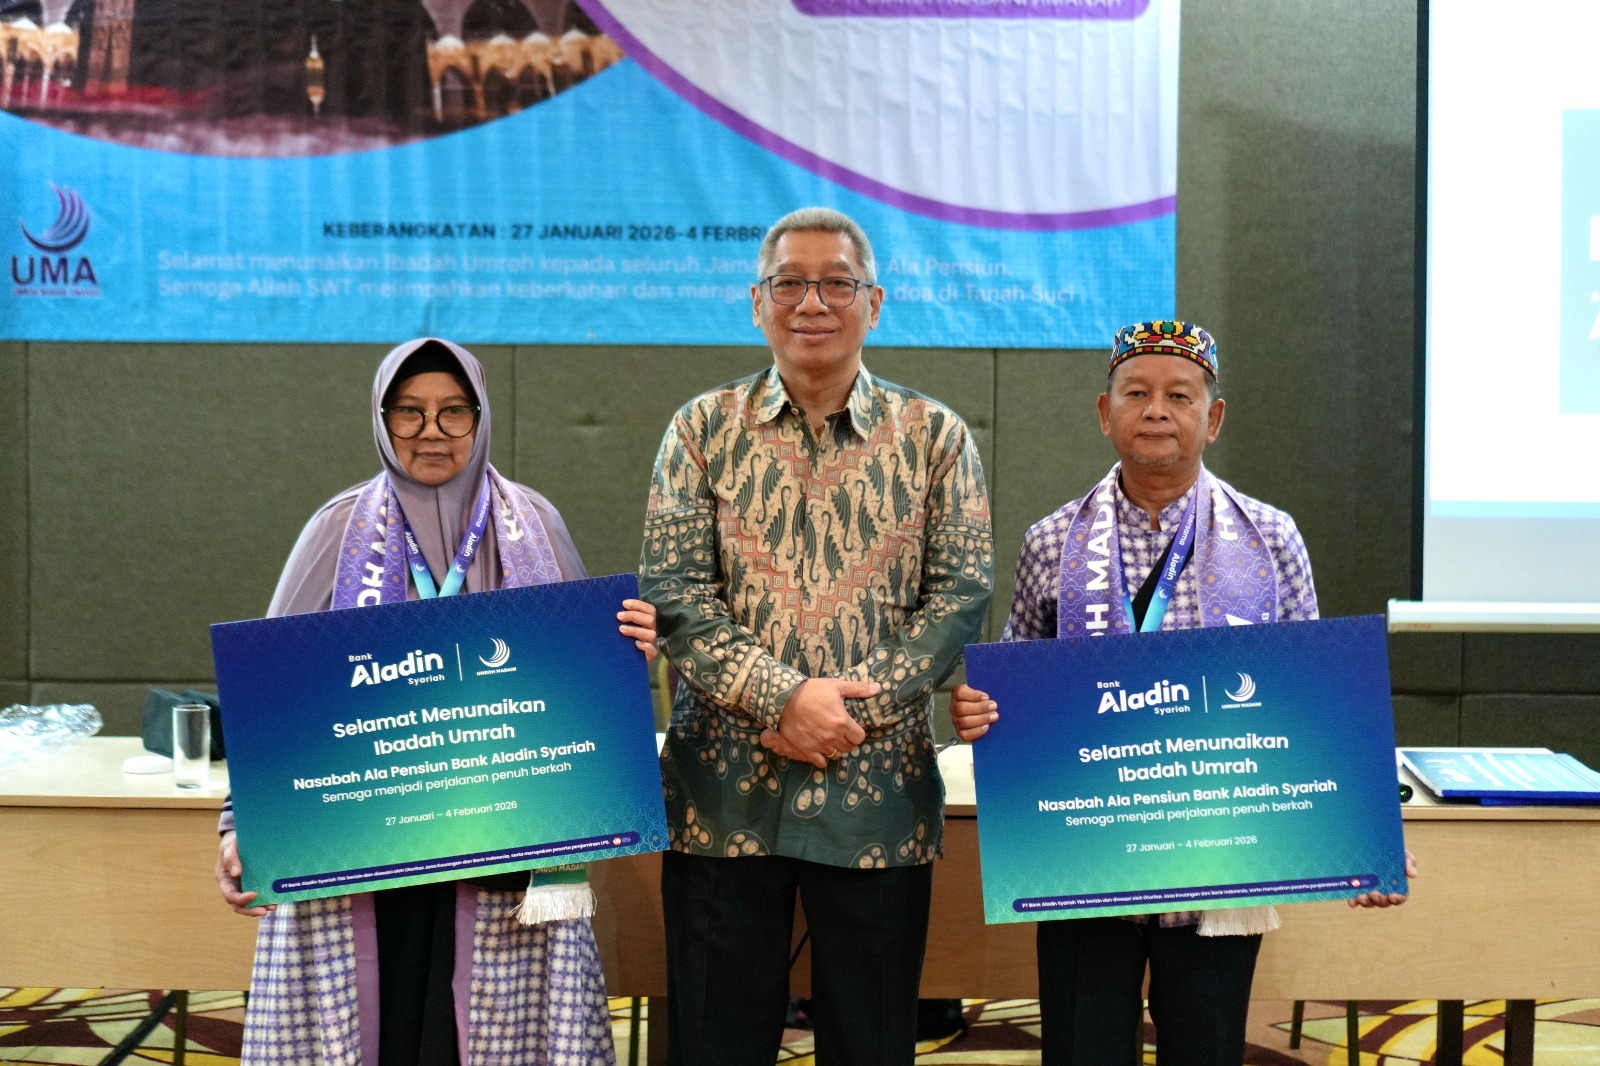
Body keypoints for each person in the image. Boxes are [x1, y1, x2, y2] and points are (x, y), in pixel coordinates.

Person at [950, 320, 1414, 1066]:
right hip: (1086, 867)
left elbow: (1315, 703)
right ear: (1105, 413)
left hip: (1218, 870)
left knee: (1207, 1051)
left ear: (1214, 416)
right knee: (1081, 1052)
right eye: (1136, 393)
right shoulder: (1052, 541)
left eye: (1179, 395)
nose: (1156, 410)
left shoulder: (1270, 539)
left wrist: (1364, 833)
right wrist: (983, 709)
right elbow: (1017, 691)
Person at [212, 337, 657, 1065]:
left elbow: (581, 686)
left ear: (480, 419)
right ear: (380, 419)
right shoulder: (337, 529)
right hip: (362, 852)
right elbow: (270, 696)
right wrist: (240, 824)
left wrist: (626, 649)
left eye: (454, 411)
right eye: (409, 412)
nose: (432, 432)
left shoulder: (534, 523)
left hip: (501, 850)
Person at [640, 206, 994, 1066]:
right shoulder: (700, 430)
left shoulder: (936, 438)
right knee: (715, 1047)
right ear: (755, 302)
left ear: (875, 302)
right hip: (723, 798)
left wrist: (840, 718)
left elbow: (959, 598)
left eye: (836, 283)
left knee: (872, 1045)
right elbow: (676, 594)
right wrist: (784, 700)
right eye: (790, 283)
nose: (812, 303)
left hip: (878, 800)